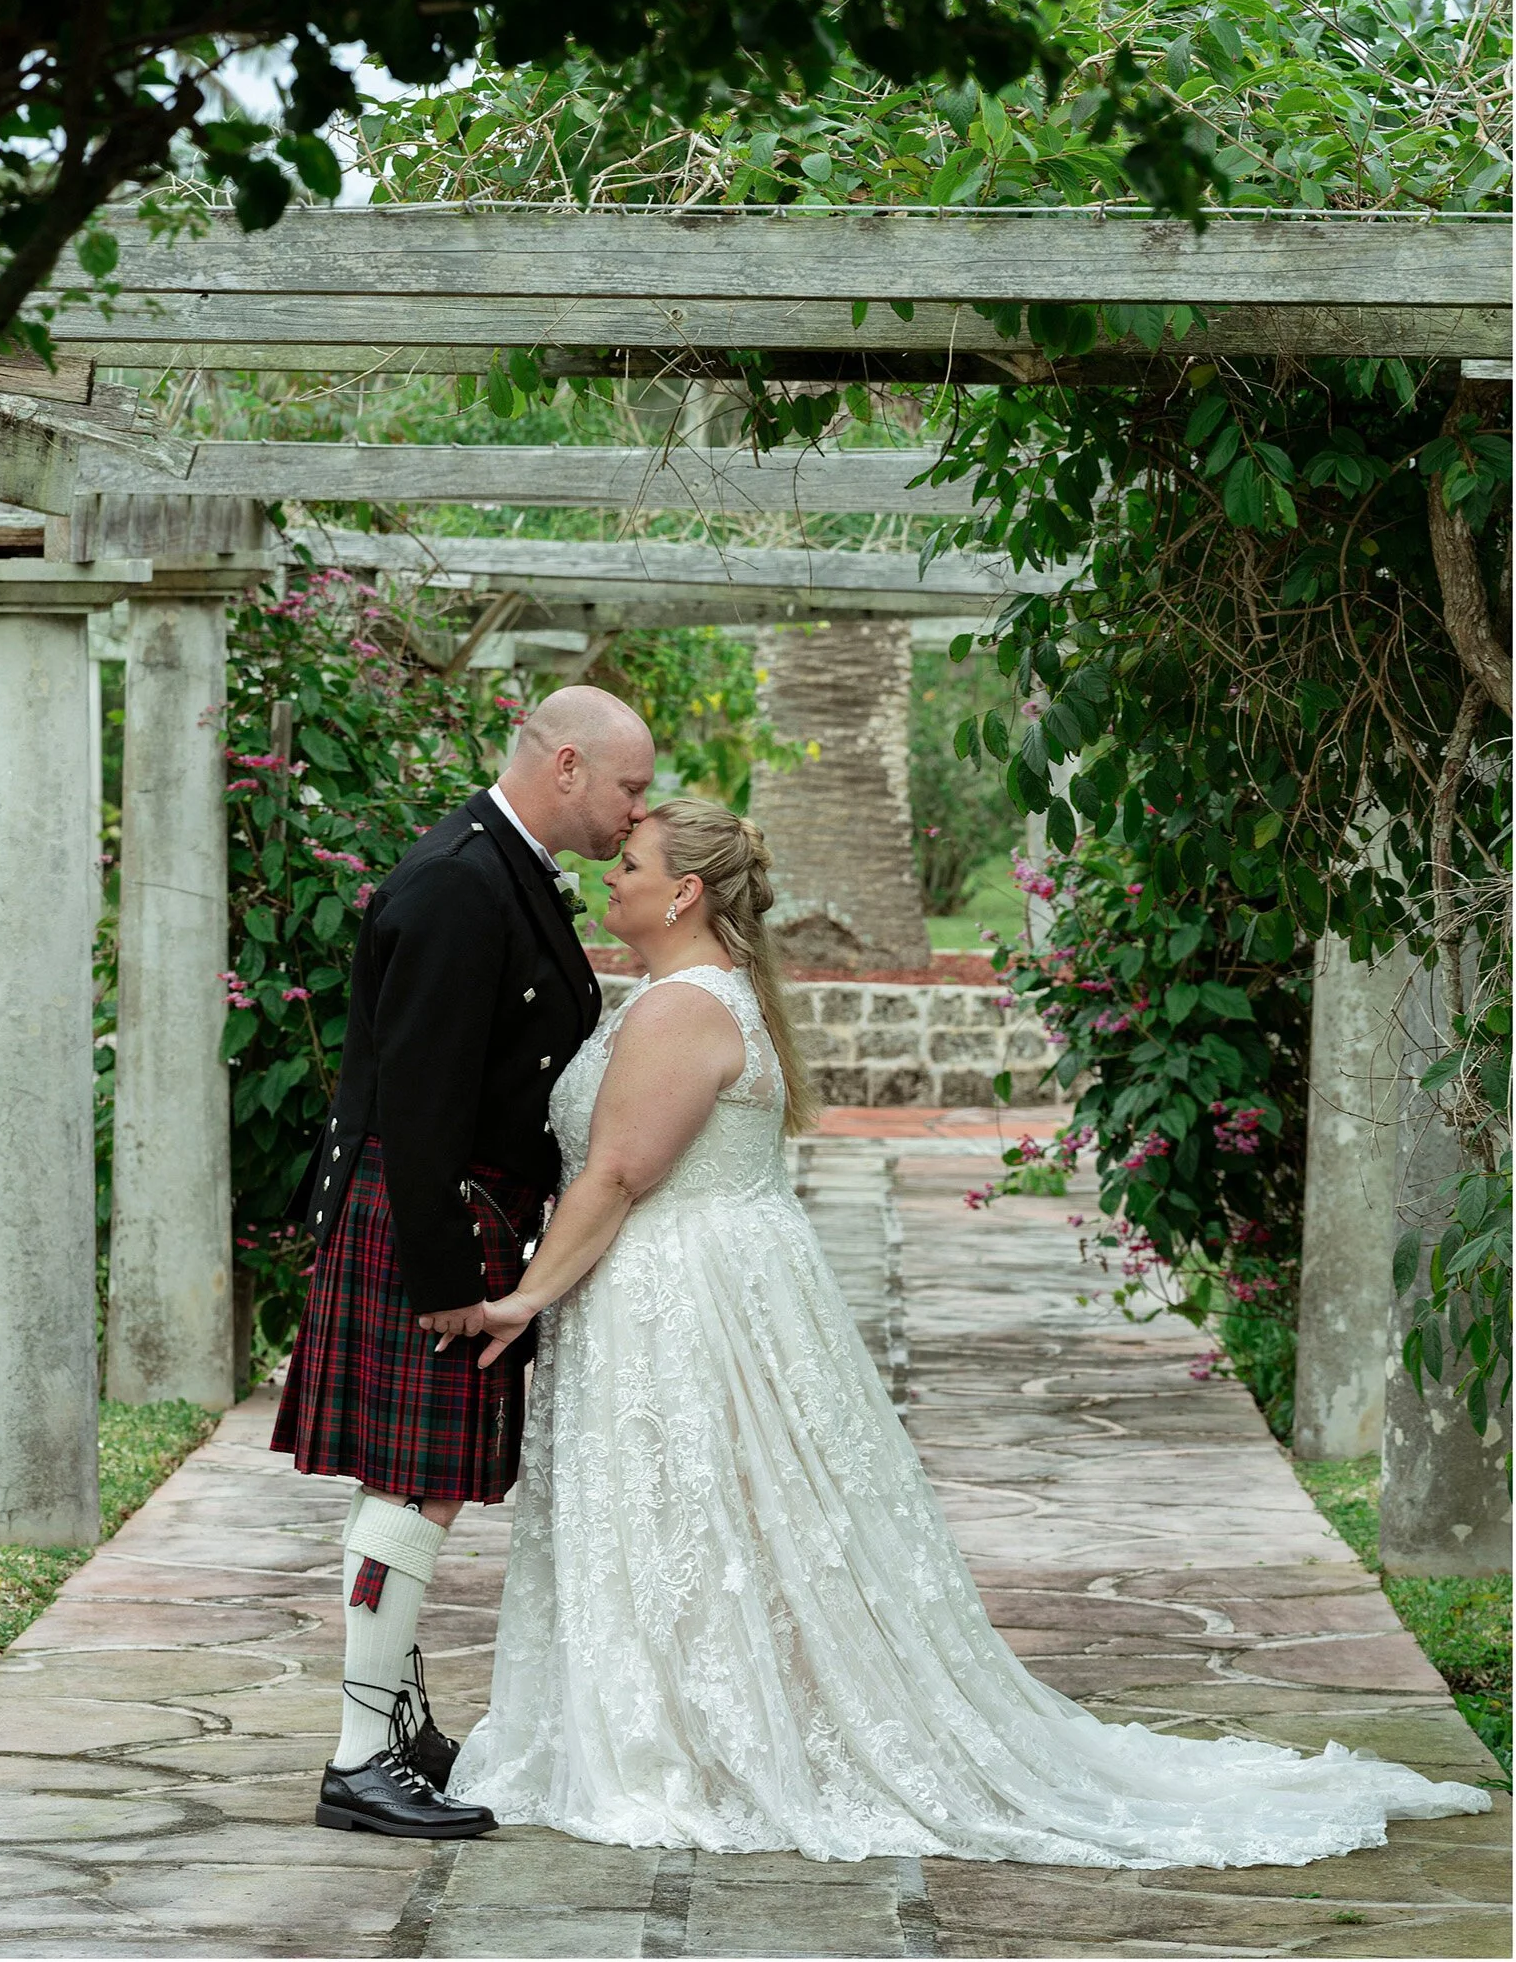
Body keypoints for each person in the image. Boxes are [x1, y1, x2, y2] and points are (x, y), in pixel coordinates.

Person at [439, 797, 1491, 1865]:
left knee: (707, 1510)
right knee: (710, 1519)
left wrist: (524, 1296)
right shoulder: (682, 993)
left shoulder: (680, 1009)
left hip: (681, 1288)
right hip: (700, 1277)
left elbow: (620, 1170)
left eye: (629, 863)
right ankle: (695, 1719)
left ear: (685, 891)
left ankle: (699, 1740)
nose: (608, 877)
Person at [272, 685, 654, 1839]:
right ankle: (356, 1759)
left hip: (453, 1207)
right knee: (413, 1483)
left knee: (420, 1481)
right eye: (631, 786)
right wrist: (447, 1282)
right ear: (570, 764)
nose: (638, 812)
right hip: (426, 1216)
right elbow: (420, 1100)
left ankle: (389, 1719)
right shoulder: (458, 879)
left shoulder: (504, 865)